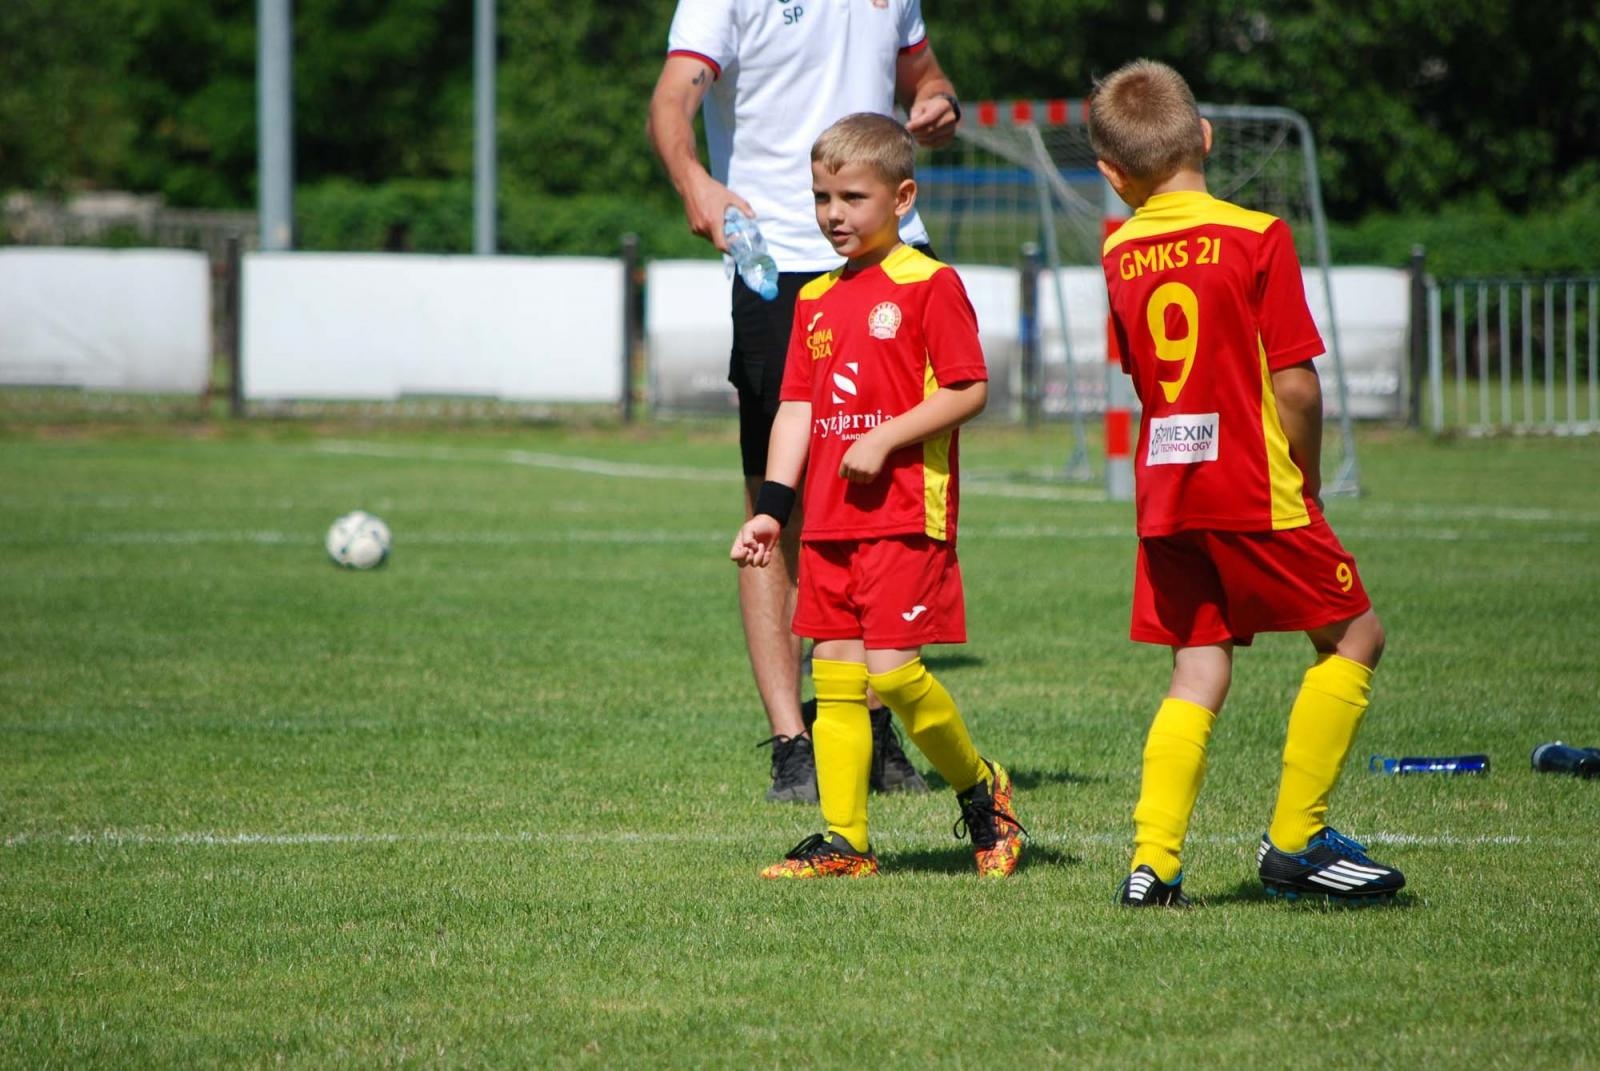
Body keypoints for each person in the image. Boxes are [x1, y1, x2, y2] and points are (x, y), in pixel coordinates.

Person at [1089, 59, 1405, 906]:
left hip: (1167, 491)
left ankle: (1152, 862)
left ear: (1112, 175)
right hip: (1253, 482)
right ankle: (1297, 842)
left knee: (1198, 664)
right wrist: (1306, 474)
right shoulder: (1257, 235)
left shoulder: (1117, 251)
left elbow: (1142, 377)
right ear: (1205, 136)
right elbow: (1296, 385)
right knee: (1355, 636)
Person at [647, 0, 962, 804]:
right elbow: (673, 98)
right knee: (776, 506)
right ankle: (794, 742)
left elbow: (924, 74)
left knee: (889, 493)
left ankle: (872, 723)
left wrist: (937, 100)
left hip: (896, 253)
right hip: (778, 259)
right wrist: (694, 181)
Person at [730, 113, 1025, 879]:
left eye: (852, 197)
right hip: (829, 521)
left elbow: (967, 388)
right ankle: (846, 840)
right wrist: (771, 508)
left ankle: (982, 789)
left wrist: (886, 437)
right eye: (822, 197)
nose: (834, 214)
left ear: (902, 198)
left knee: (892, 674)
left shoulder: (931, 283)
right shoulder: (815, 298)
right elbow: (796, 408)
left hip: (904, 513)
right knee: (833, 678)